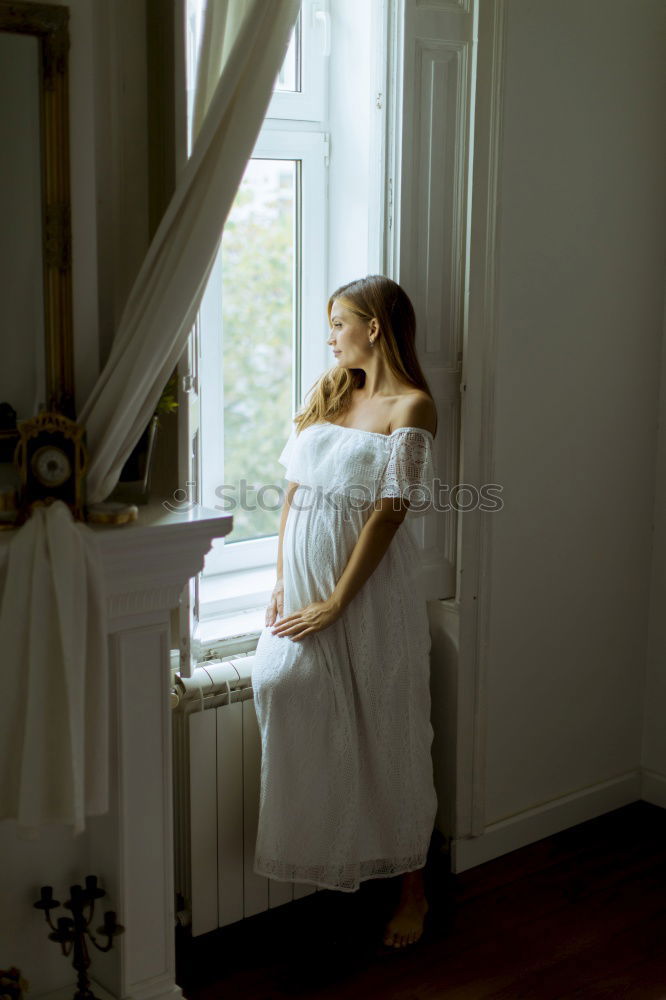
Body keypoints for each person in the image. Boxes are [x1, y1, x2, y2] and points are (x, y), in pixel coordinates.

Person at [251, 274, 439, 950]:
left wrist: (338, 599)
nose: (330, 335)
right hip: (301, 586)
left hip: (367, 592)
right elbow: (292, 493)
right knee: (281, 685)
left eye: (339, 322)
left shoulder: (412, 408)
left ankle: (412, 888)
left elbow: (392, 512)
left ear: (376, 327)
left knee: (387, 724)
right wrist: (280, 578)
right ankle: (341, 853)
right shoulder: (330, 392)